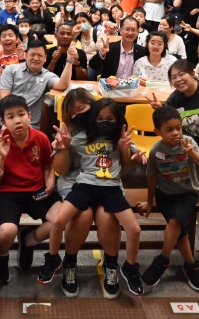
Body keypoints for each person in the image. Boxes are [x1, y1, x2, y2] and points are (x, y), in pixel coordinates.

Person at [41, 99, 145, 296]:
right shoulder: (80, 138)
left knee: (134, 229)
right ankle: (55, 259)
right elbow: (59, 162)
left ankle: (127, 268)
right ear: (93, 119)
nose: (104, 122)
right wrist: (61, 146)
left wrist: (132, 152)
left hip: (111, 188)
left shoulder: (119, 139)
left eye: (110, 119)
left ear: (117, 120)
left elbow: (132, 161)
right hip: (84, 186)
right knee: (59, 220)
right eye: (100, 118)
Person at [50, 90, 122, 298]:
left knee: (107, 216)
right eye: (72, 113)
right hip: (74, 182)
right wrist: (63, 148)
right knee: (82, 215)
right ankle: (70, 263)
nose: (77, 115)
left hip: (105, 181)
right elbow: (61, 169)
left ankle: (111, 265)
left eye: (81, 109)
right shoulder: (68, 132)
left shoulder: (109, 126)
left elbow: (124, 163)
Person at [0, 95, 62, 283]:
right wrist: (2, 156)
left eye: (21, 114)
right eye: (10, 117)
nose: (17, 120)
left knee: (62, 219)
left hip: (37, 191)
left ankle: (29, 240)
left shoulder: (41, 138)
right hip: (7, 193)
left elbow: (47, 166)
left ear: (29, 115)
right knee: (7, 231)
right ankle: (2, 259)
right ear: (3, 122)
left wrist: (50, 183)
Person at [137, 106, 199, 293]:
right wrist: (149, 201)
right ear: (158, 132)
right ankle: (191, 265)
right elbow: (152, 177)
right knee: (180, 230)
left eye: (178, 128)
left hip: (188, 193)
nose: (176, 133)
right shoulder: (156, 150)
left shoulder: (189, 142)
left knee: (176, 221)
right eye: (169, 129)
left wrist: (191, 153)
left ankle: (162, 259)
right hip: (165, 194)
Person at [0, 39, 73, 129]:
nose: (36, 58)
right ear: (26, 55)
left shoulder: (47, 76)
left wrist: (69, 61)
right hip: (3, 121)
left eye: (40, 55)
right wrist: (8, 123)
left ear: (45, 58)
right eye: (32, 55)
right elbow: (4, 97)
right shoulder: (11, 70)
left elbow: (63, 85)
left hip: (29, 126)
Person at [0, 25, 23, 101]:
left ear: (17, 39)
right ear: (0, 40)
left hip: (19, 96)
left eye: (10, 35)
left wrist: (22, 59)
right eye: (4, 36)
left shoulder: (24, 56)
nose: (7, 38)